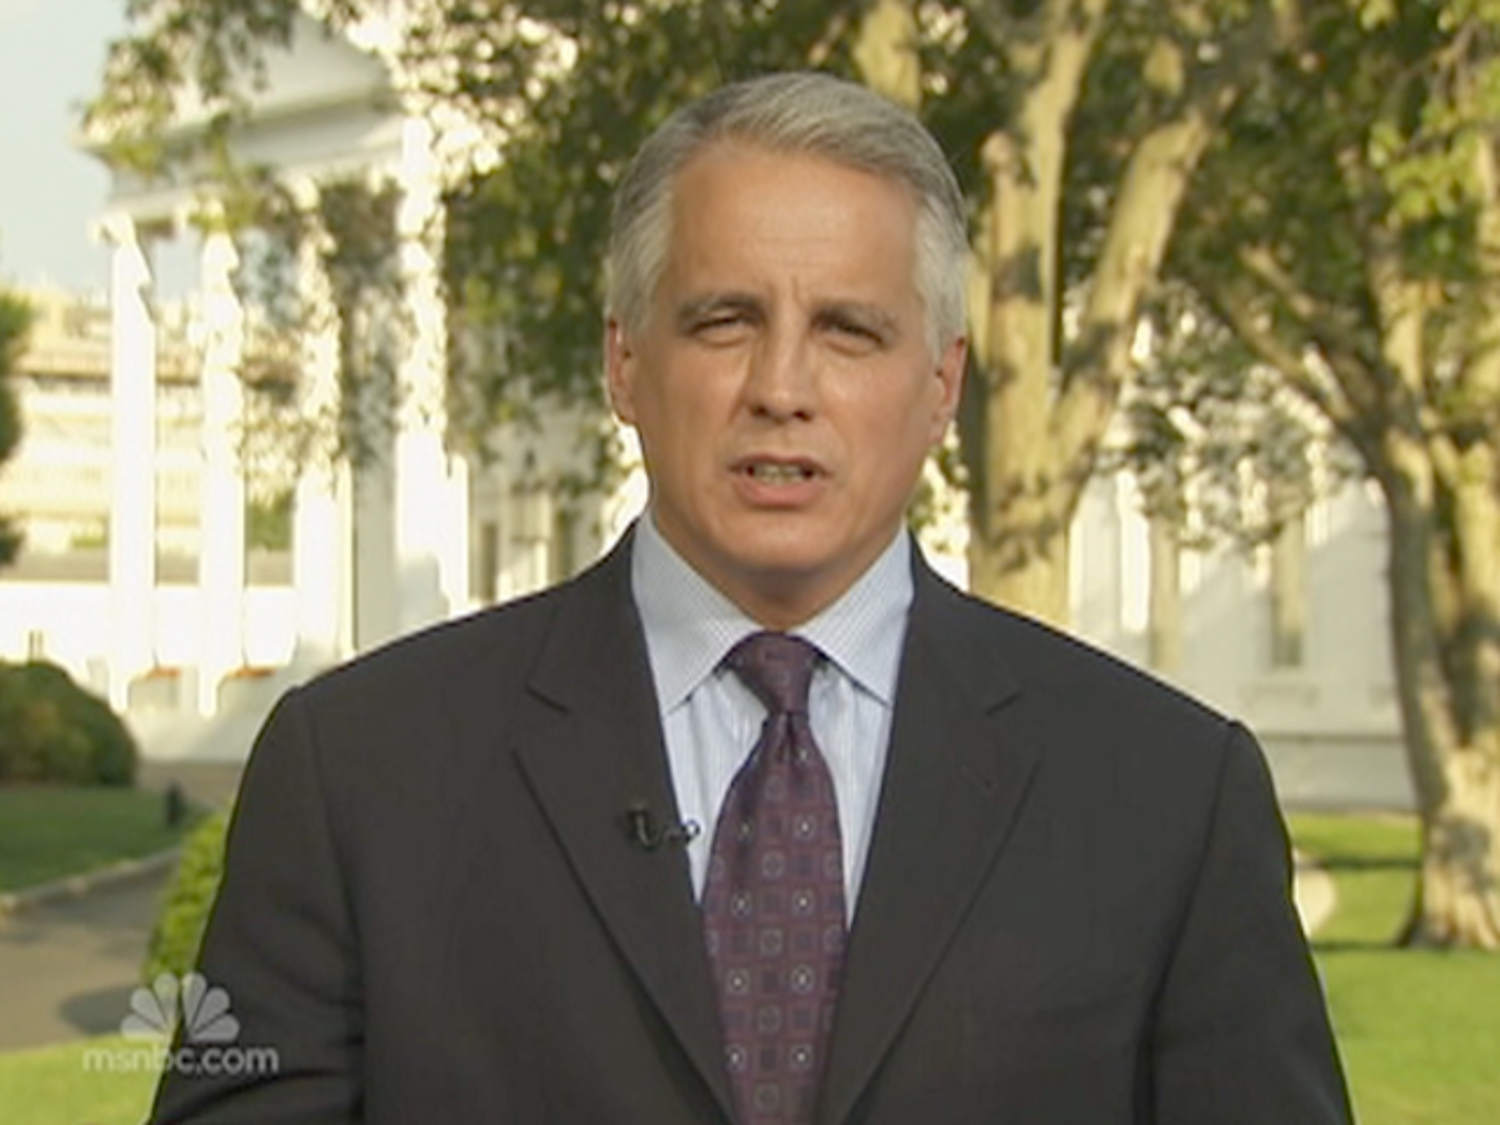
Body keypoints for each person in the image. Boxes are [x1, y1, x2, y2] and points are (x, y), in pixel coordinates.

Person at [147, 71, 1351, 1124]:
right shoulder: (360, 775)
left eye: (848, 331)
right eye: (725, 321)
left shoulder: (1167, 802)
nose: (782, 387)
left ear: (941, 387)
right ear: (625, 360)